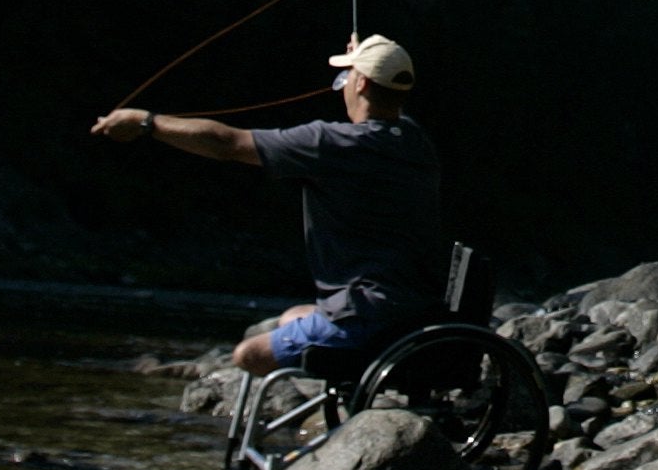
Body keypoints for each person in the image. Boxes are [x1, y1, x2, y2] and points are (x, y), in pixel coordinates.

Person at [95, 33, 450, 380]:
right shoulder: (415, 141)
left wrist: (147, 123)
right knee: (291, 316)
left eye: (347, 76)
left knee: (247, 355)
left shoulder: (329, 144)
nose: (342, 83)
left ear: (360, 84)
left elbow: (226, 143)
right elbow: (386, 105)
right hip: (410, 310)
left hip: (366, 317)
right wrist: (368, 62)